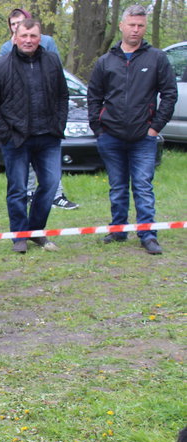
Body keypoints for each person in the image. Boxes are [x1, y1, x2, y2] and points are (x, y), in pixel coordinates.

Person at [87, 4, 177, 255]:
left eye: (140, 26)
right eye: (132, 25)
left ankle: (148, 234)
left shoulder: (156, 58)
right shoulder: (106, 61)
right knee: (117, 186)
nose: (136, 30)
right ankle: (118, 230)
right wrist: (99, 129)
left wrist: (155, 127)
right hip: (111, 136)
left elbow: (169, 94)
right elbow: (93, 96)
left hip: (143, 138)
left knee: (143, 186)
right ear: (122, 26)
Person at [0, 18, 68, 253]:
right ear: (16, 37)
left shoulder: (52, 61)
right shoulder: (0, 66)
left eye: (33, 36)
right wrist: (6, 134)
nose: (29, 40)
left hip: (48, 137)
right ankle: (19, 235)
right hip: (17, 139)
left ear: (40, 38)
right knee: (18, 189)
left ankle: (36, 231)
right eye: (24, 36)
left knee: (50, 185)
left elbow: (63, 96)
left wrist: (59, 124)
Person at [0, 8, 80, 211]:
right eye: (14, 25)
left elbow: (59, 83)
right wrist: (5, 130)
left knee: (50, 176)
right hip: (18, 125)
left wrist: (58, 122)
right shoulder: (5, 50)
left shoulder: (48, 46)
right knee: (20, 178)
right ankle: (25, 206)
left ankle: (56, 197)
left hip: (46, 122)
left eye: (22, 23)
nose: (19, 28)